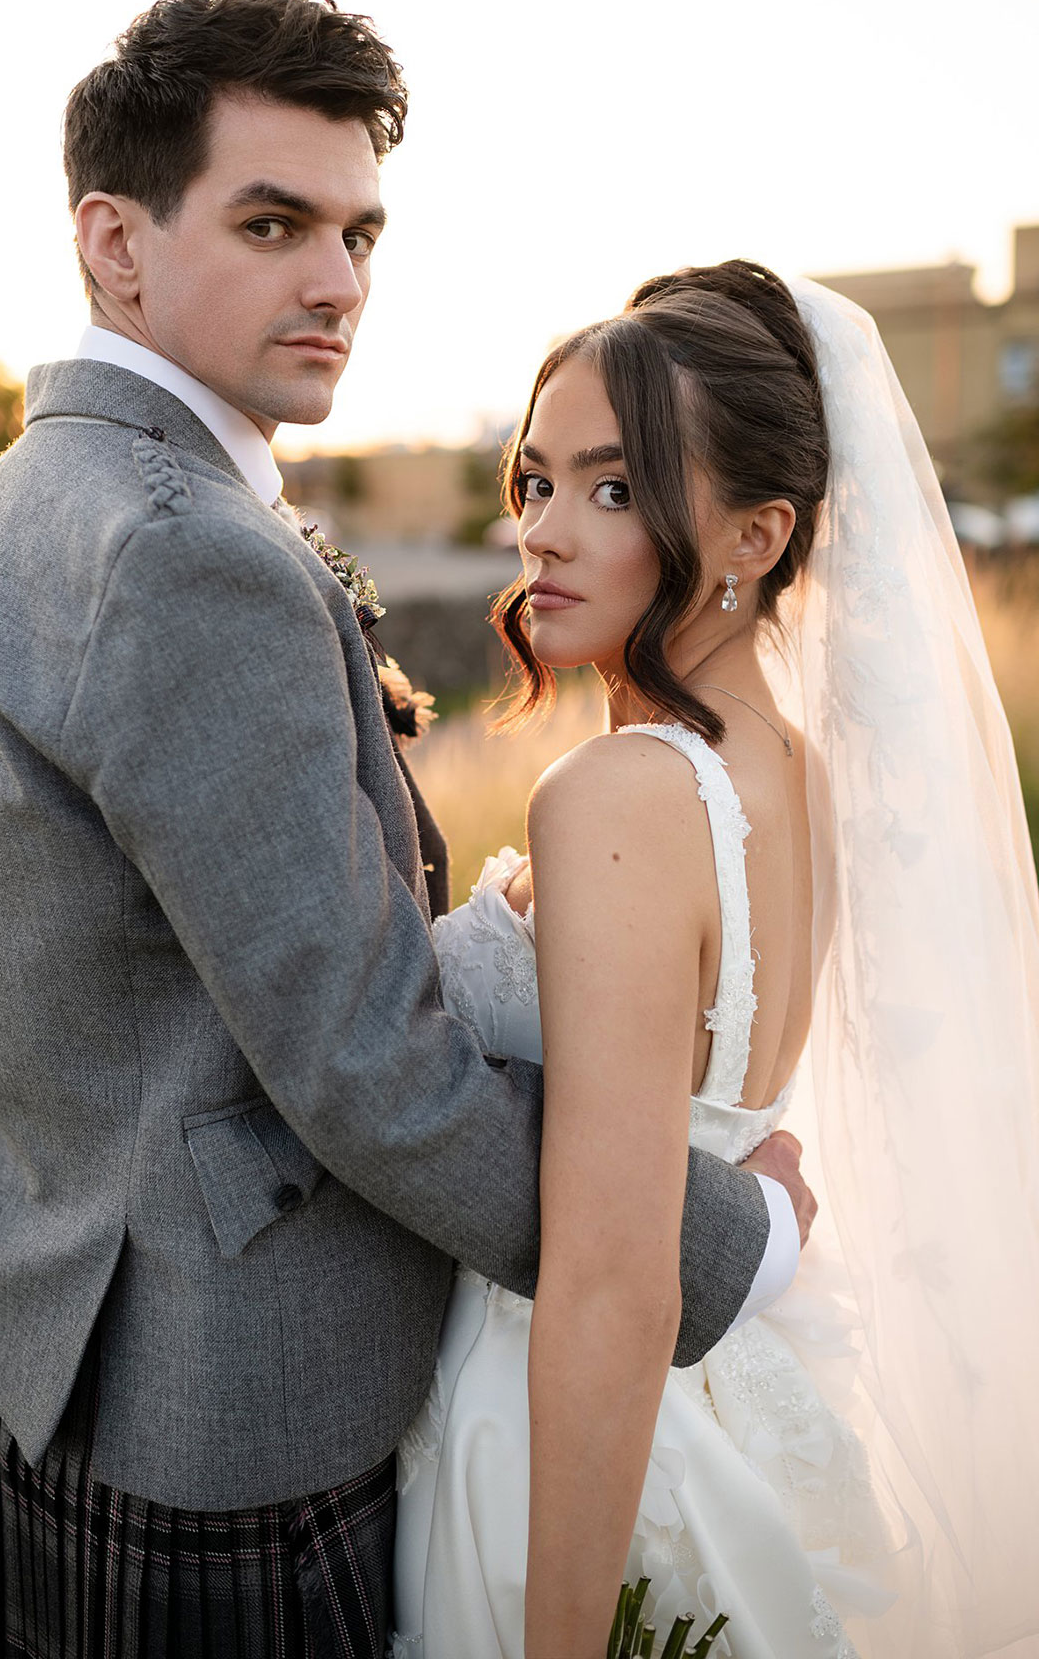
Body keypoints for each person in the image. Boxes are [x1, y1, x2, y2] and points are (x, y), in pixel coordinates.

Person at [0, 0, 810, 1658]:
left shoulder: (18, 500)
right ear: (115, 243)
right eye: (275, 222)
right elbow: (364, 1064)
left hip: (42, 1340)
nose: (339, 281)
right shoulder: (185, 551)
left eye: (361, 232)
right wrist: (744, 1239)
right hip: (228, 1406)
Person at [393, 262, 1039, 1659]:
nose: (546, 535)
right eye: (537, 481)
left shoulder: (621, 795)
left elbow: (617, 1279)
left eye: (615, 490)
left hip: (580, 1431)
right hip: (750, 1378)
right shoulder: (801, 774)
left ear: (757, 535)